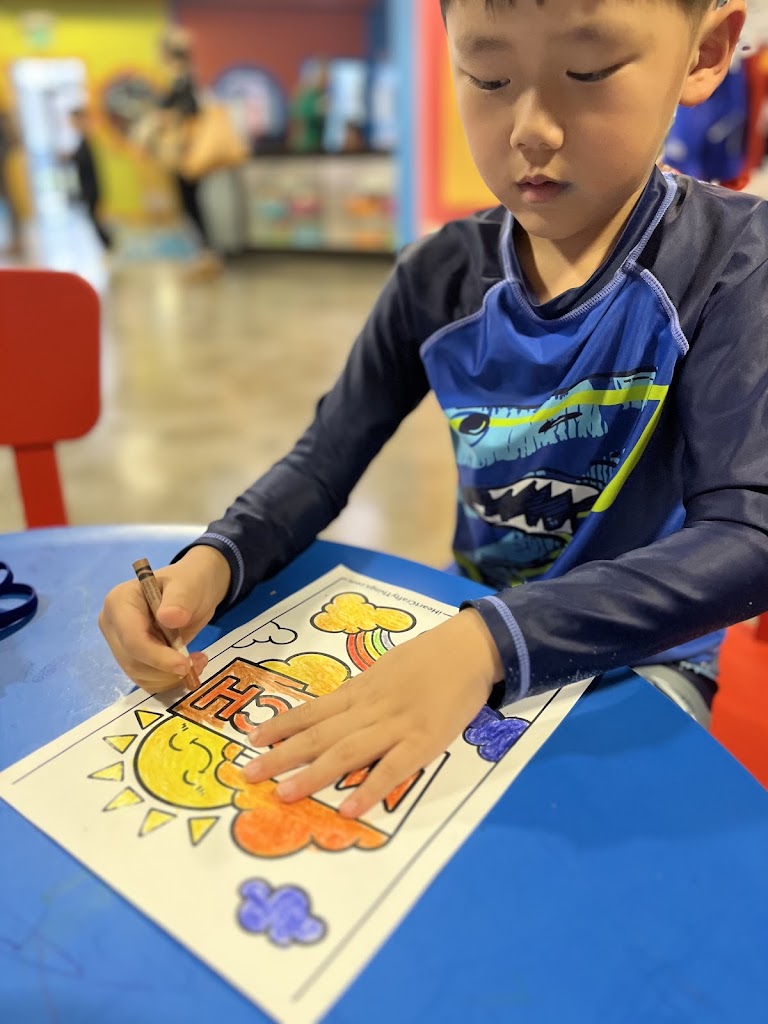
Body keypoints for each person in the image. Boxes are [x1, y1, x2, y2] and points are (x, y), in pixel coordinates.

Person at [101, 0, 767, 819]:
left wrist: (490, 641)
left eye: (588, 71)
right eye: (489, 77)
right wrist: (216, 558)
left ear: (705, 52)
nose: (531, 129)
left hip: (644, 657)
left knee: (552, 837)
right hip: (459, 622)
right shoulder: (436, 275)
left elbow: (750, 536)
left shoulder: (736, 264)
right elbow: (323, 459)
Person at [157, 27, 221, 278]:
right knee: (191, 206)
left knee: (192, 206)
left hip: (186, 154)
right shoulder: (181, 79)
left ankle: (206, 256)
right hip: (182, 154)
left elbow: (189, 111)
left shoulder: (184, 80)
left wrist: (167, 118)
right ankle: (203, 255)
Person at [65, 108, 113, 250]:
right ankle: (107, 244)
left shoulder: (90, 137)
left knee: (95, 215)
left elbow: (87, 160)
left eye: (74, 120)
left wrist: (72, 158)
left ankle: (109, 244)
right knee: (94, 216)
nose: (72, 124)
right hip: (87, 184)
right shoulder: (83, 138)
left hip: (92, 184)